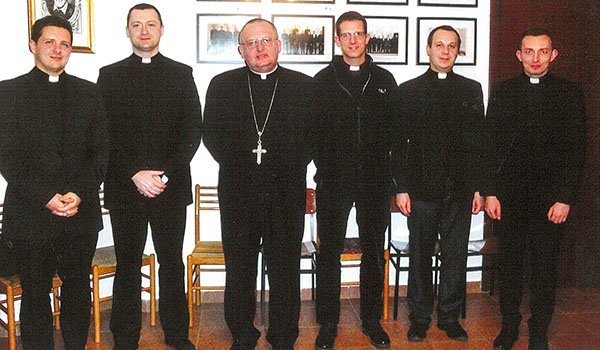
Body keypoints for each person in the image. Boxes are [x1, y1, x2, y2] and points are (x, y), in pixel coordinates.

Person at [97, 4, 201, 350]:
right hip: (125, 188)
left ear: (161, 29)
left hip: (170, 190)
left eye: (151, 24)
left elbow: (192, 132)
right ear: (127, 31)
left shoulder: (182, 73)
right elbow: (103, 134)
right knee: (127, 264)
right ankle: (125, 338)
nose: (144, 31)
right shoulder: (109, 76)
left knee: (171, 263)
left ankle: (177, 335)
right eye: (136, 25)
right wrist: (134, 174)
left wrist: (164, 175)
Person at [203, 18, 312, 350]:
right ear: (241, 50)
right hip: (238, 192)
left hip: (286, 192)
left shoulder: (303, 86)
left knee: (285, 268)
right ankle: (242, 333)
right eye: (252, 43)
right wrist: (248, 166)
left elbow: (313, 138)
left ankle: (283, 334)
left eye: (266, 41)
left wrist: (279, 167)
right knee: (239, 267)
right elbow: (211, 136)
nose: (260, 48)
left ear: (279, 45)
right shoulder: (221, 85)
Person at [0, 15, 108, 349]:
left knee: (77, 291)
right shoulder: (7, 92)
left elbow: (100, 152)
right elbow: (8, 156)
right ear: (33, 45)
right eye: (49, 42)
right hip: (31, 215)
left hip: (79, 213)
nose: (57, 50)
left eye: (64, 43)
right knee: (35, 295)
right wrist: (46, 196)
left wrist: (78, 192)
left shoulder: (89, 93)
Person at [484, 28, 586, 350]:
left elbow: (576, 150)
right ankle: (509, 325)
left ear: (553, 55)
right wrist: (490, 192)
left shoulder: (570, 93)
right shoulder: (502, 92)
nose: (536, 59)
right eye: (529, 52)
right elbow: (491, 147)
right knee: (510, 265)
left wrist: (565, 198)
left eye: (543, 52)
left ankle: (539, 328)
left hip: (550, 200)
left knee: (544, 267)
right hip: (509, 197)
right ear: (519, 55)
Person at [391, 25, 485, 343]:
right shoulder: (408, 90)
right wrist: (401, 187)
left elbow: (477, 145)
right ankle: (419, 318)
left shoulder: (472, 89)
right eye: (439, 45)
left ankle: (449, 317)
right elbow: (399, 145)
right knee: (419, 256)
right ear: (427, 49)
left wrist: (478, 188)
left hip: (459, 190)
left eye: (452, 46)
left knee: (456, 255)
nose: (445, 51)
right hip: (420, 189)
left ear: (459, 51)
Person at [311, 11, 398, 350]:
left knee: (374, 251)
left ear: (366, 37)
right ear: (337, 39)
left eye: (358, 34)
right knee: (329, 251)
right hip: (333, 180)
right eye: (345, 35)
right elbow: (312, 132)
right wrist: (326, 165)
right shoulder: (322, 80)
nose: (352, 40)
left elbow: (396, 131)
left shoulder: (385, 79)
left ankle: (372, 321)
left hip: (375, 181)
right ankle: (328, 323)